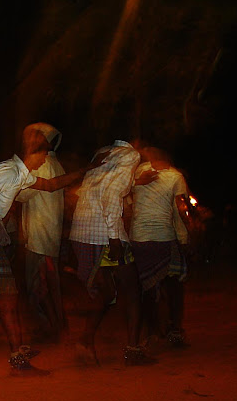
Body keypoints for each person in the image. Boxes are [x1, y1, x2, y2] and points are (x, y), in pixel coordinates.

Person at [0, 126, 102, 375]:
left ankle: (10, 356)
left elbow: (50, 185)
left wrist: (86, 170)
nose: (46, 159)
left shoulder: (20, 173)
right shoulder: (9, 172)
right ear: (32, 153)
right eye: (44, 154)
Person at [69, 138, 153, 366]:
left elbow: (102, 187)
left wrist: (135, 182)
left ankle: (85, 342)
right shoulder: (131, 155)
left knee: (104, 293)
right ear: (137, 142)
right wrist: (114, 238)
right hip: (105, 233)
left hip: (82, 231)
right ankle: (133, 350)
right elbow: (112, 194)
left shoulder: (104, 152)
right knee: (132, 290)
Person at [129, 147, 190, 347]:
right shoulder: (175, 176)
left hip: (139, 237)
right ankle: (174, 330)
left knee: (147, 286)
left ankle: (153, 331)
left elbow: (127, 201)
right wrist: (188, 232)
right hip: (164, 237)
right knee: (174, 285)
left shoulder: (138, 172)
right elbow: (180, 209)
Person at [15, 123, 68, 342]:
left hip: (38, 235)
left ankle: (47, 329)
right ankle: (59, 326)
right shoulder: (56, 163)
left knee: (37, 285)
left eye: (32, 137)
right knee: (51, 284)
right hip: (50, 234)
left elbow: (19, 195)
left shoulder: (41, 164)